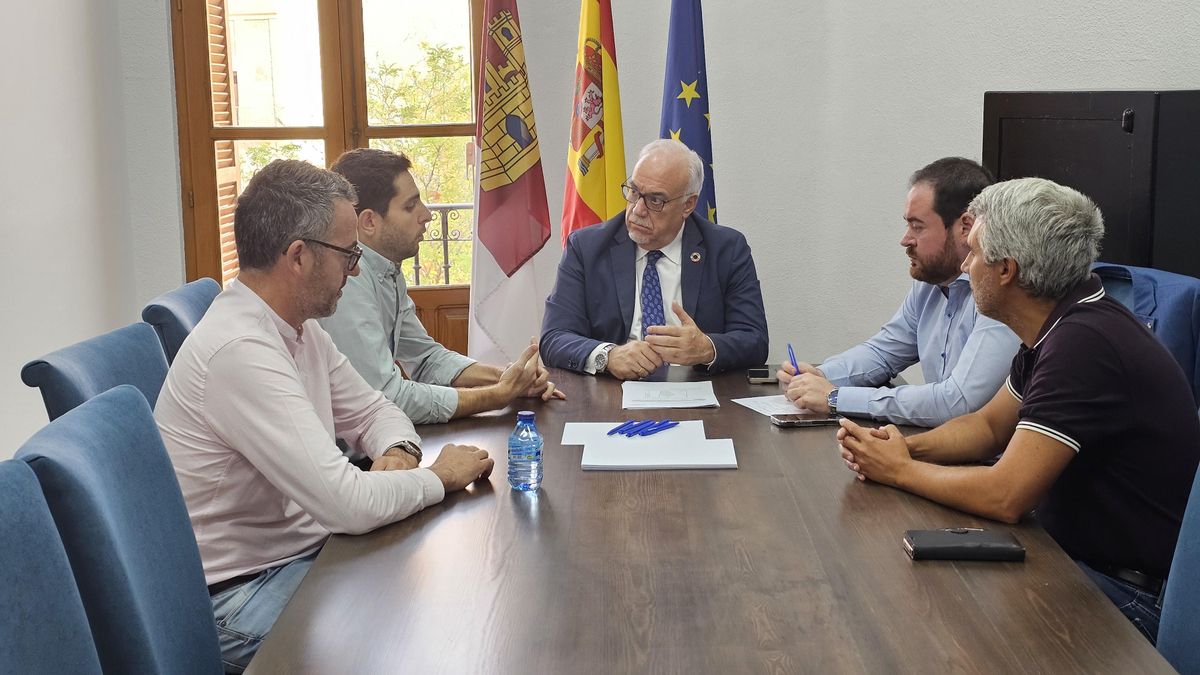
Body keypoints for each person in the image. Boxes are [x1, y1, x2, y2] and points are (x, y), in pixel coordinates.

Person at [155, 160, 494, 672]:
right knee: (418, 636)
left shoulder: (297, 327)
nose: (356, 269)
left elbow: (376, 409)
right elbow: (346, 504)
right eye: (348, 253)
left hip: (294, 555)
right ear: (297, 257)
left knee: (437, 598)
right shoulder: (241, 349)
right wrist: (439, 477)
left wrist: (398, 451)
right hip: (235, 596)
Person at [837, 177, 1200, 643]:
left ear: (1007, 269)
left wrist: (900, 471)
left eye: (973, 253)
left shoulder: (1084, 345)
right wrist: (902, 447)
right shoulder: (1063, 322)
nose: (965, 265)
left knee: (924, 625)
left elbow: (1007, 496)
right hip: (1070, 557)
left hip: (1126, 594)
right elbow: (987, 427)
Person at [319, 148, 563, 426]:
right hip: (348, 456)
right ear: (369, 222)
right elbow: (388, 397)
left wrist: (510, 376)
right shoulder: (347, 281)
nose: (427, 214)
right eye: (411, 206)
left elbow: (425, 359)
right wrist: (497, 395)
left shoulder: (387, 268)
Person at [778, 157, 1020, 427]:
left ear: (965, 227)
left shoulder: (998, 291)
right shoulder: (929, 284)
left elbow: (957, 402)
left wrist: (836, 397)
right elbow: (882, 352)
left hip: (985, 461)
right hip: (940, 445)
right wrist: (819, 376)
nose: (905, 239)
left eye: (918, 226)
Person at [541, 139, 768, 379]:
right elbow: (554, 337)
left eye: (655, 200)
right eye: (634, 191)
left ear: (688, 205)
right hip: (611, 395)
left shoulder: (727, 250)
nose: (638, 209)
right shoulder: (587, 248)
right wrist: (608, 355)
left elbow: (755, 339)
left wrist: (706, 348)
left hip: (699, 393)